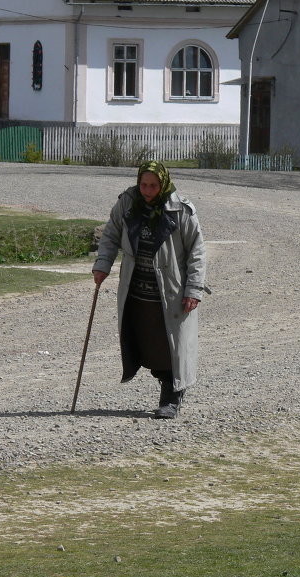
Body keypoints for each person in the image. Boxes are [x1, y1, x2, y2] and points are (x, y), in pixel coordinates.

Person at [92, 161, 206, 419]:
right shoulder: (128, 203)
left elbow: (197, 253)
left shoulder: (181, 210)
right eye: (143, 184)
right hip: (137, 290)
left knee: (172, 346)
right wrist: (103, 264)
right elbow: (111, 234)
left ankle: (172, 398)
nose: (147, 190)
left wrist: (193, 289)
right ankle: (168, 389)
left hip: (170, 291)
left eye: (153, 185)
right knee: (148, 343)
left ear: (163, 183)